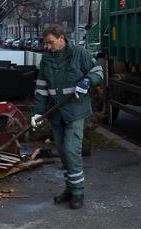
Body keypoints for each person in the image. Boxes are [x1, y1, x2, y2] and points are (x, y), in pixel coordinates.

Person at [31, 24, 103, 209]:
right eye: (45, 43)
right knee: (63, 153)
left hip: (75, 111)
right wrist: (37, 112)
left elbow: (98, 71)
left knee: (71, 150)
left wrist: (88, 80)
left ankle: (78, 192)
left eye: (51, 43)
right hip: (56, 113)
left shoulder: (79, 53)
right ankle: (69, 189)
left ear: (61, 38)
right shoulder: (46, 59)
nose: (47, 47)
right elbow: (41, 88)